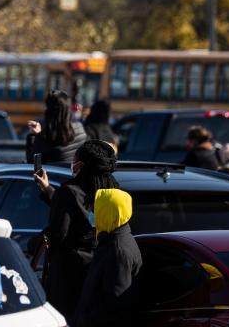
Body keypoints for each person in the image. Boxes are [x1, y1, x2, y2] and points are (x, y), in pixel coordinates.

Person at [34, 140, 119, 320]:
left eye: (75, 159)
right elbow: (82, 212)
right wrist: (48, 190)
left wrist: (36, 241)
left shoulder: (70, 191)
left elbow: (59, 233)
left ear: (81, 164)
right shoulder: (112, 190)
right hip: (103, 267)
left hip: (70, 273)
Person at [73, 189, 142, 327]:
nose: (92, 214)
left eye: (96, 210)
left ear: (108, 213)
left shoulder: (118, 250)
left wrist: (87, 319)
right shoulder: (113, 240)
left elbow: (114, 306)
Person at [26, 89, 87, 164]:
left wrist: (34, 136)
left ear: (49, 111)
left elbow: (32, 163)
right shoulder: (80, 128)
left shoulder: (45, 137)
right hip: (72, 174)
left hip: (53, 175)